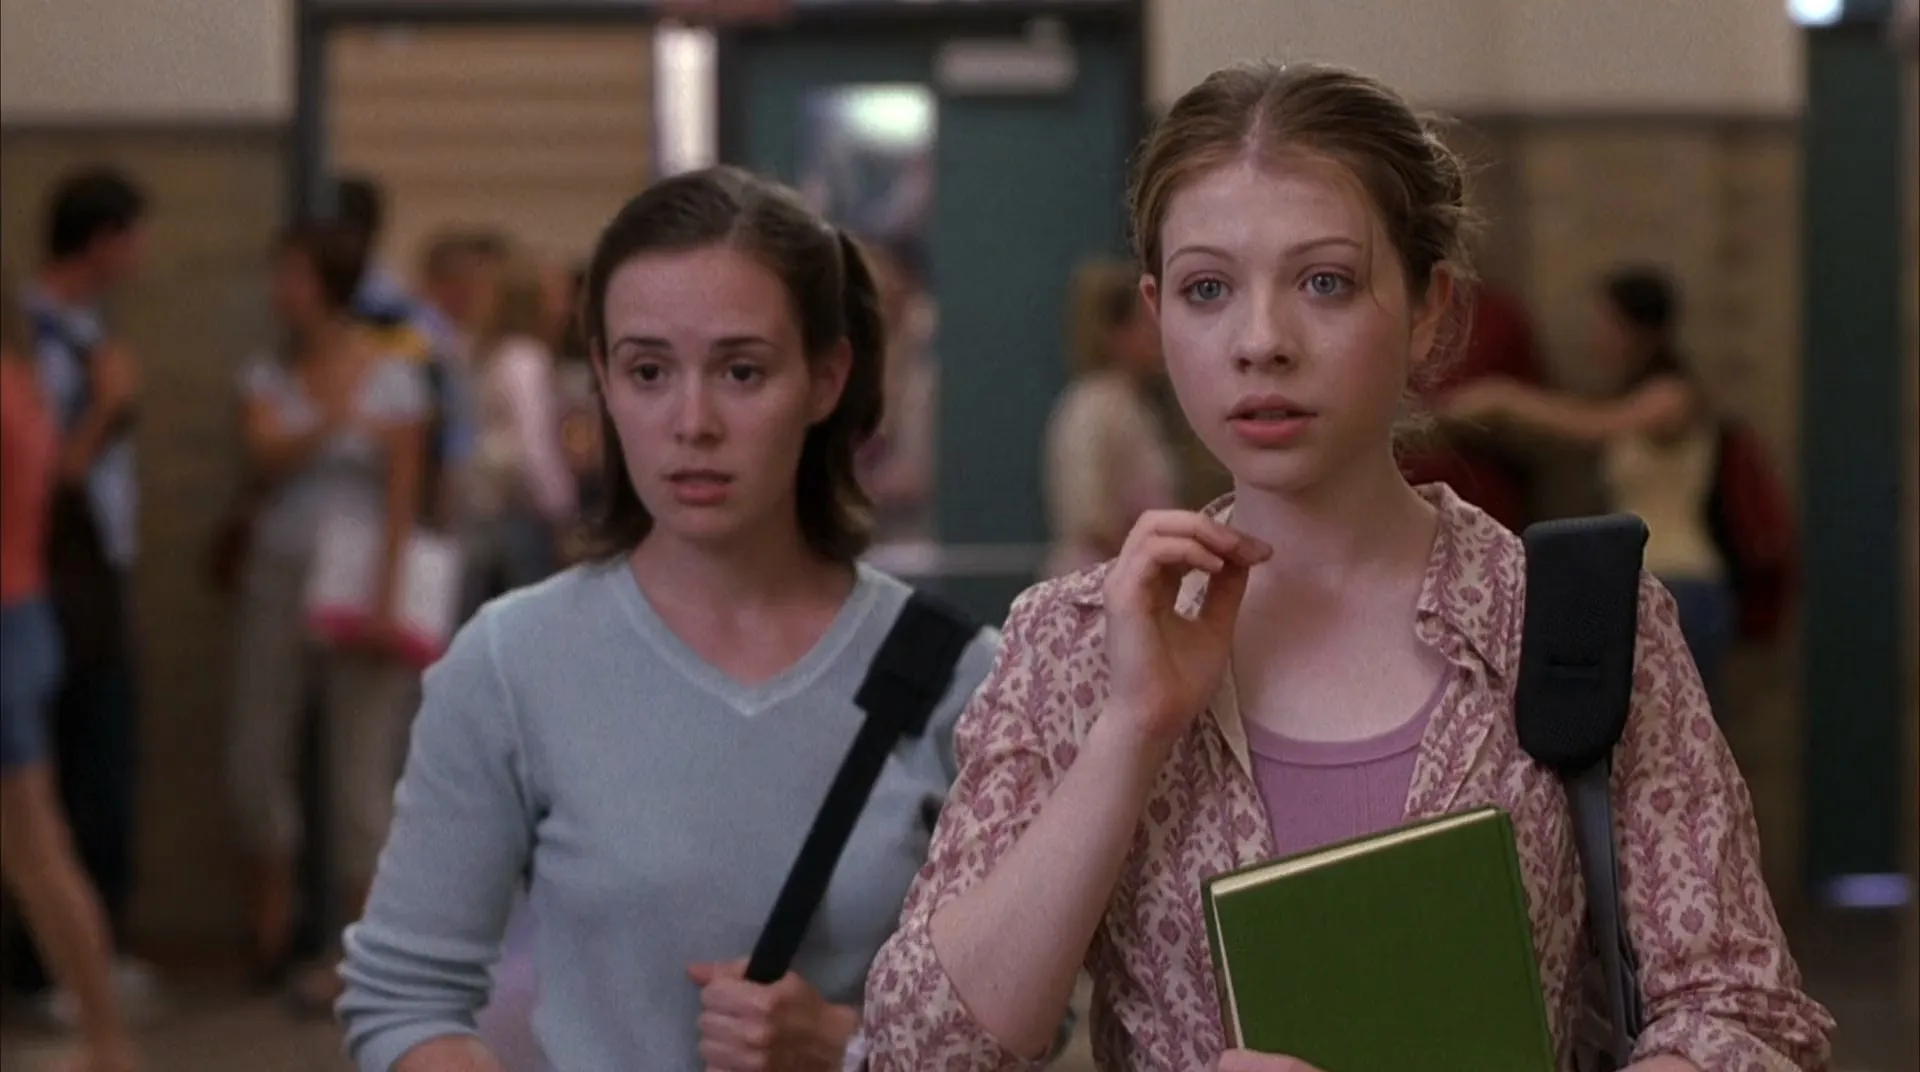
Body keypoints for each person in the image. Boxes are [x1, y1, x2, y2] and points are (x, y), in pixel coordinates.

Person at [860, 61, 1833, 1071]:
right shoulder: (1074, 642)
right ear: (1156, 312)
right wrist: (1131, 728)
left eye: (1324, 281)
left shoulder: (1571, 621)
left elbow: (1741, 1014)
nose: (1261, 342)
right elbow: (922, 1050)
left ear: (1427, 309)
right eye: (1206, 289)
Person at [337, 165, 999, 1072]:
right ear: (603, 381)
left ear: (825, 378)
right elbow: (403, 995)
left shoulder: (959, 675)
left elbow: (1022, 1024)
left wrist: (848, 1044)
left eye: (742, 371)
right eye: (648, 371)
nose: (693, 422)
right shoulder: (513, 662)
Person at [225, 221, 430, 1009]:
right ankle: (270, 933)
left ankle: (359, 954)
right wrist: (331, 419)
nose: (282, 290)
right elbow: (263, 452)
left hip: (362, 578)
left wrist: (388, 597)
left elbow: (404, 491)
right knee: (254, 761)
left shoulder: (395, 377)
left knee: (358, 776)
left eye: (295, 275)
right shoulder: (266, 372)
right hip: (277, 576)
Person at [1441, 267, 1733, 703]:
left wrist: (1503, 398)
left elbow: (1588, 426)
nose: (1596, 337)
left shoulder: (1672, 396)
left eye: (1606, 323)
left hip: (1681, 583)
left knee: (1678, 727)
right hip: (1639, 581)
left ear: (1638, 331)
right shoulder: (1637, 393)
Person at [10, 165, 158, 1016]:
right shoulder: (34, 340)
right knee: (66, 779)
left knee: (94, 767)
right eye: (133, 237)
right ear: (103, 240)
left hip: (89, 571)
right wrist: (105, 409)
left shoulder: (87, 331)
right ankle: (58, 970)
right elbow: (47, 475)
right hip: (46, 579)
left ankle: (82, 963)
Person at [1, 271, 141, 1072]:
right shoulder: (23, 385)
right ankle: (106, 1041)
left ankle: (109, 1044)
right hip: (24, 616)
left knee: (38, 851)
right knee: (37, 850)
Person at [1040, 258, 1181, 578]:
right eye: (1146, 325)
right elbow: (1090, 514)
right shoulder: (1094, 405)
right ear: (1116, 332)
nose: (1157, 337)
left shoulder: (1132, 404)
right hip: (1100, 581)